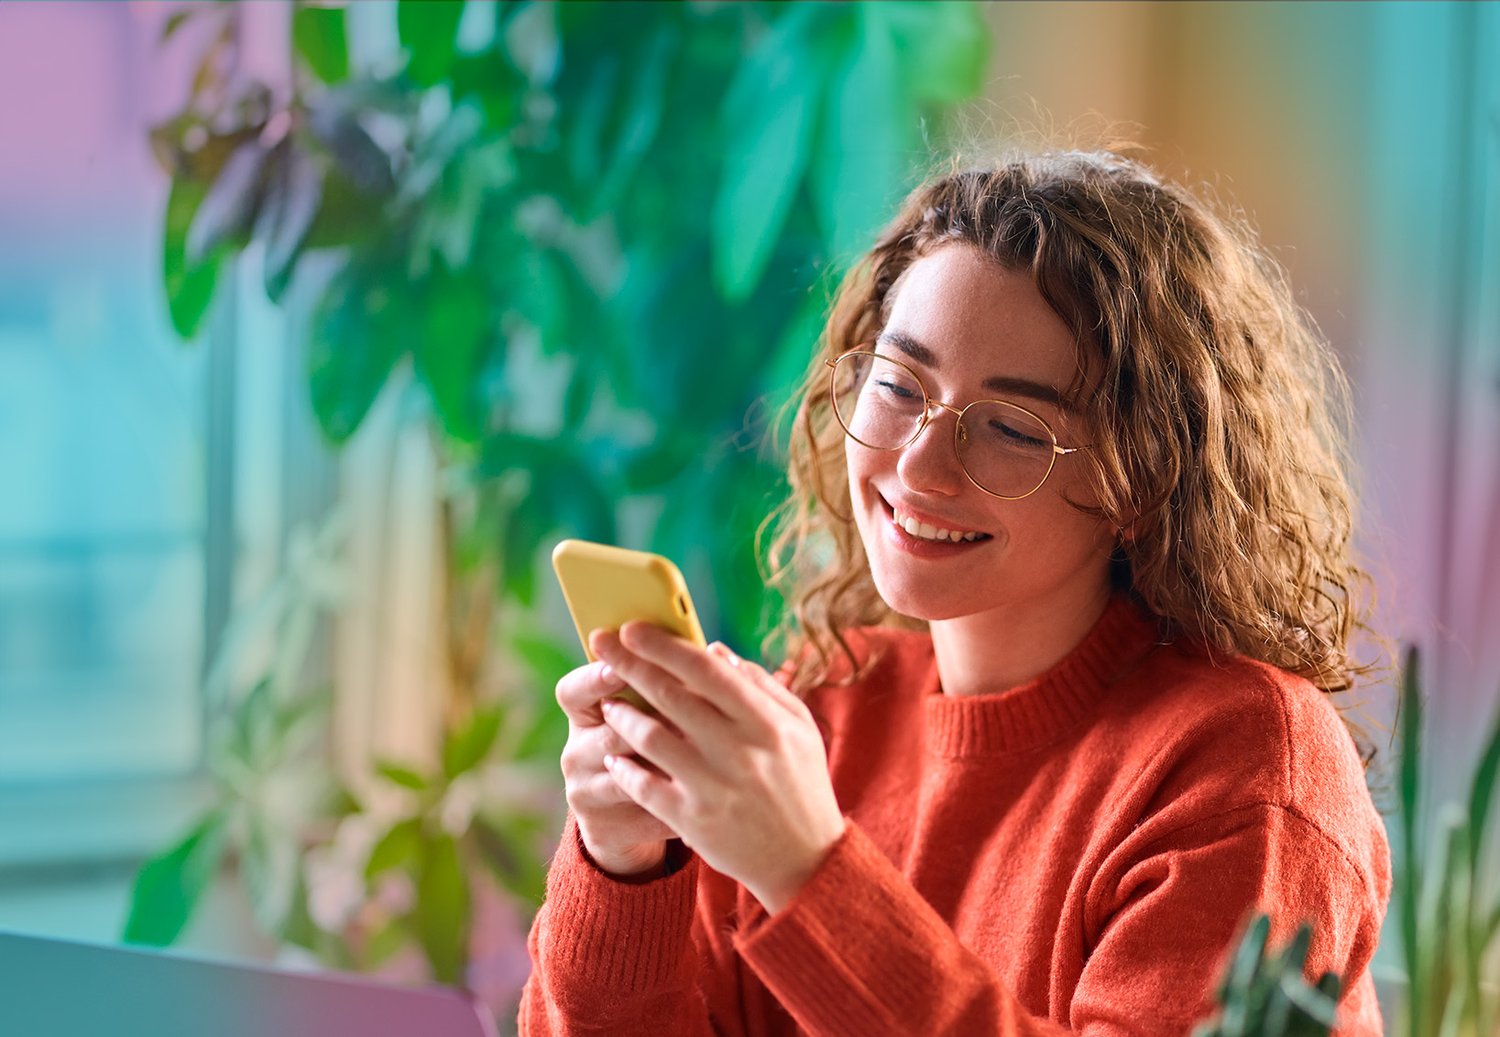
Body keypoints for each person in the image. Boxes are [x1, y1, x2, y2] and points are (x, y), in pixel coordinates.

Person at [517, 148, 1392, 1036]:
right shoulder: (829, 704)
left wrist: (809, 871)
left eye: (1011, 428)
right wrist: (623, 865)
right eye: (899, 385)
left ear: (1142, 480)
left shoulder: (1248, 768)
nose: (918, 463)